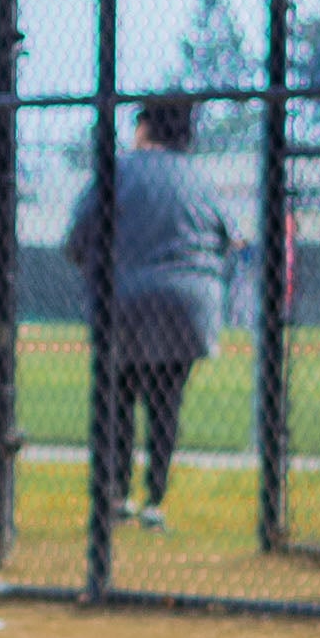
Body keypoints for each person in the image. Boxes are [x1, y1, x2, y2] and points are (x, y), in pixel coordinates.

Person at [66, 94, 240, 528]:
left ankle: (117, 495)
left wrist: (99, 269)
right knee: (166, 403)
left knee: (118, 399)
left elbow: (76, 238)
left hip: (123, 300)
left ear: (144, 127)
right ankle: (154, 501)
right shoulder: (199, 178)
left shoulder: (118, 170)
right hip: (188, 303)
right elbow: (229, 241)